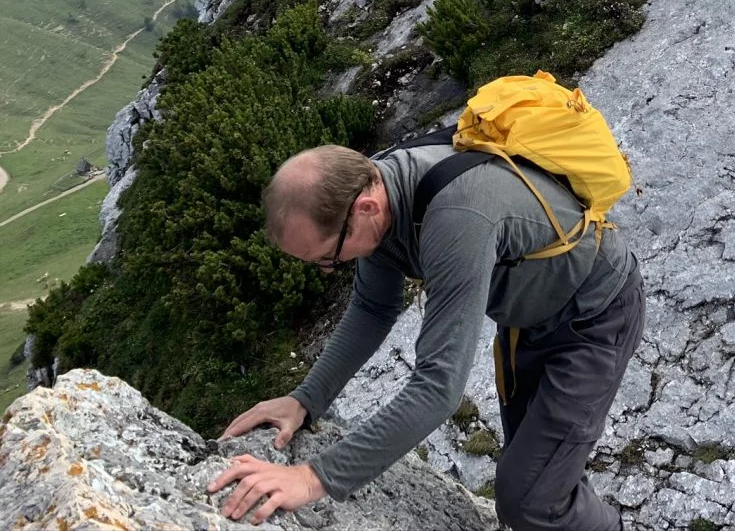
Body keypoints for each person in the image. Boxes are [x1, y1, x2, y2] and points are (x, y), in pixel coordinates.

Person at [207, 139, 645, 530]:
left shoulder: (456, 215)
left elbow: (439, 387)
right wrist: (305, 400)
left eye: (330, 258)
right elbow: (374, 306)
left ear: (365, 208)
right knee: (540, 472)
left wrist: (312, 478)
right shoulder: (376, 191)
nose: (329, 269)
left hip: (595, 318)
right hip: (528, 321)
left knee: (529, 498)